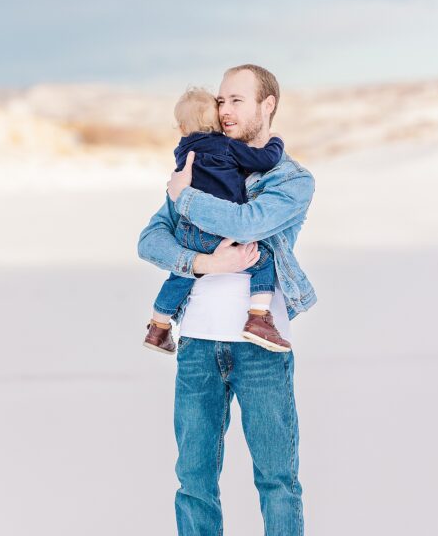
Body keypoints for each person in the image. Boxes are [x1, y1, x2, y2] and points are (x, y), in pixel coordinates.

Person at [137, 64, 316, 536]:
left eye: (237, 100)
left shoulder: (291, 179)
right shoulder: (197, 164)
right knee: (193, 482)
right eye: (221, 100)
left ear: (267, 105)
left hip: (262, 347)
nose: (225, 110)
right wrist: (205, 265)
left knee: (277, 480)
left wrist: (186, 198)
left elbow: (250, 223)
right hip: (195, 344)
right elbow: (150, 241)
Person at [144, 86, 289, 355]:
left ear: (181, 127)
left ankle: (158, 326)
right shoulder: (226, 145)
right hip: (219, 230)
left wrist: (203, 262)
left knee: (180, 274)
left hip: (189, 231)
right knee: (262, 259)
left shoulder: (182, 151)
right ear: (217, 124)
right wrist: (276, 141)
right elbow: (265, 159)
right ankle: (258, 317)